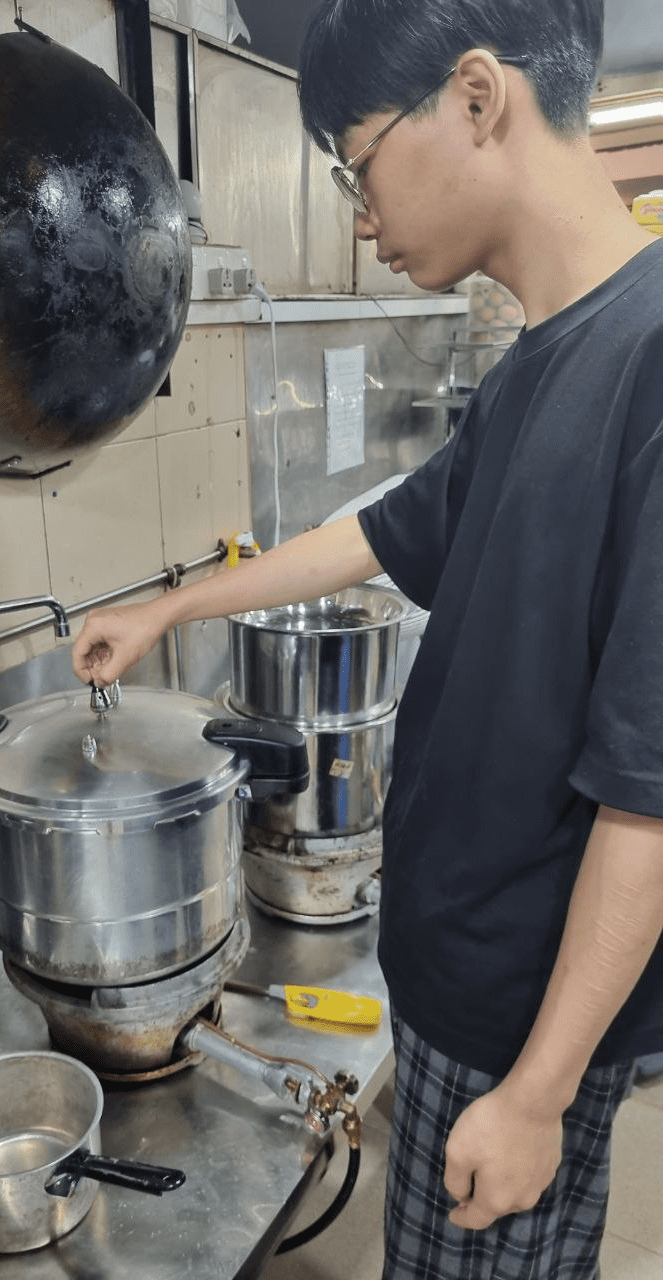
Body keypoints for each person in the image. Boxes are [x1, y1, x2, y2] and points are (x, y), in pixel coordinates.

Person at [72, 0, 663, 1274]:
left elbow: (652, 795)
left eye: (359, 162)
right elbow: (377, 530)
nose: (360, 213)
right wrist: (169, 605)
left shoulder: (652, 362)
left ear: (475, 98)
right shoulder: (533, 370)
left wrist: (542, 1091)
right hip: (458, 988)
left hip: (522, 1020)